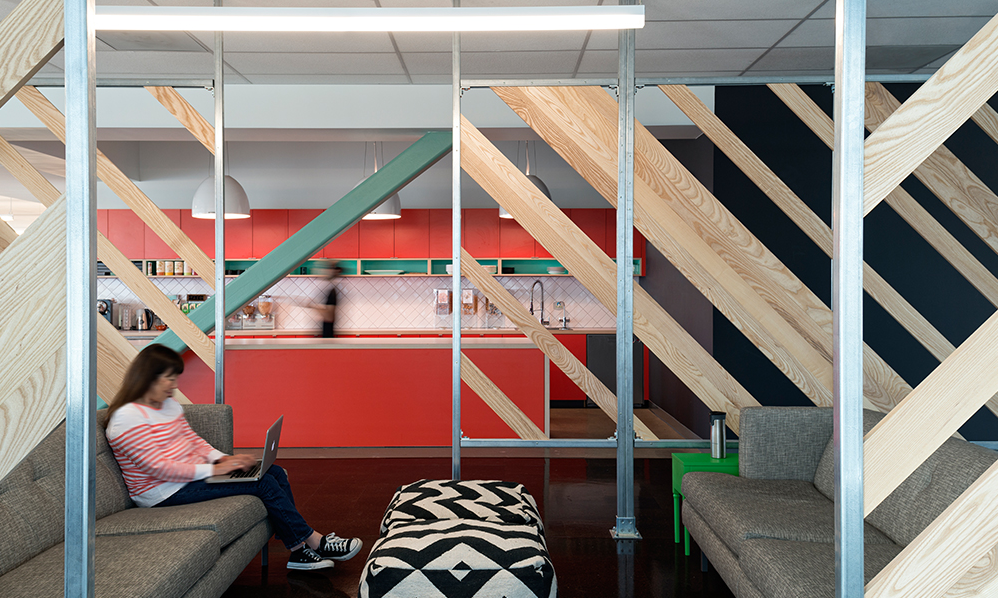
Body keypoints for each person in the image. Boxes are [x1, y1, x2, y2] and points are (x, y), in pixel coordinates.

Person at [105, 344, 362, 571]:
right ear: (148, 378)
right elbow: (160, 469)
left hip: (187, 478)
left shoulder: (168, 405)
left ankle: (299, 550)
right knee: (262, 483)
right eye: (169, 379)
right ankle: (313, 542)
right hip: (163, 492)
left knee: (273, 472)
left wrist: (223, 460)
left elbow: (194, 441)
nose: (174, 386)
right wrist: (214, 471)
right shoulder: (127, 419)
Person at [316, 262, 342, 338]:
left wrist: (315, 308)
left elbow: (330, 315)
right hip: (327, 329)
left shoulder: (332, 290)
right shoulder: (331, 288)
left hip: (328, 331)